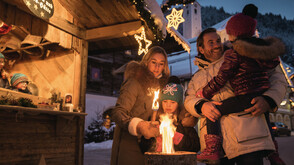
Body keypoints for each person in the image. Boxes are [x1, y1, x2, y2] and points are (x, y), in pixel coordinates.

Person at [194, 4, 286, 164]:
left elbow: (278, 79)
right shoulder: (197, 76)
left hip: (249, 137)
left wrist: (269, 100)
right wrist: (201, 105)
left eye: (218, 40)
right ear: (200, 49)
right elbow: (189, 99)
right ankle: (273, 153)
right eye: (211, 42)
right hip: (223, 145)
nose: (217, 45)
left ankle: (213, 148)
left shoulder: (235, 54)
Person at [110, 46, 170, 165]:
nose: (157, 67)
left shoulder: (164, 87)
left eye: (161, 64)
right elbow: (118, 112)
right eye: (154, 62)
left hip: (151, 146)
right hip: (129, 144)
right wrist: (138, 125)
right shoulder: (135, 82)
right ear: (147, 61)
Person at [139, 79, 200, 153]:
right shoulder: (155, 121)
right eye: (165, 101)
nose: (168, 105)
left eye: (173, 102)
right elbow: (143, 148)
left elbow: (195, 146)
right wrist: (148, 137)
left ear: (178, 104)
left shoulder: (184, 122)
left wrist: (174, 135)